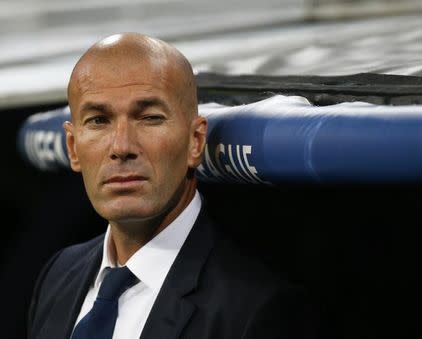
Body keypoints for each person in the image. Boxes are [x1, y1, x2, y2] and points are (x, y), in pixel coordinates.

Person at [27, 32, 313, 339]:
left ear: (195, 141)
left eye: (149, 117)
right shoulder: (58, 274)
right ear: (73, 147)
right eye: (99, 120)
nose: (122, 146)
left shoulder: (253, 311)